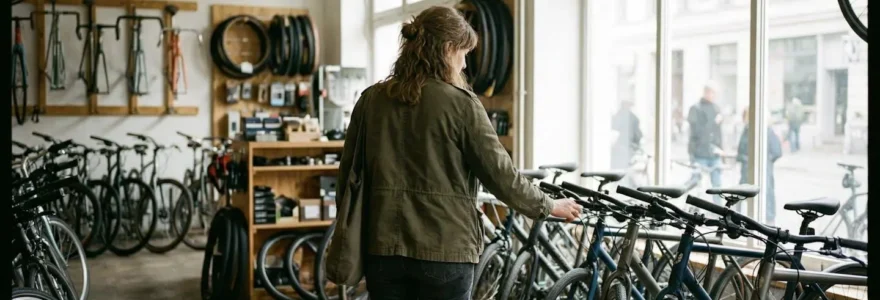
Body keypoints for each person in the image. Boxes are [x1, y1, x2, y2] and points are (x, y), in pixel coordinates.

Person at [334, 7, 582, 300]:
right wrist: (548, 205)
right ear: (448, 49)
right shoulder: (460, 104)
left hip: (382, 250)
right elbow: (500, 175)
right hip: (444, 250)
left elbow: (348, 176)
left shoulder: (371, 100)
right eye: (464, 53)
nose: (464, 65)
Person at [736, 107, 782, 225]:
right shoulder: (747, 130)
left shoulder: (766, 131)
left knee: (765, 196)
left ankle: (768, 223)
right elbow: (740, 151)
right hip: (748, 170)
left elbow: (777, 151)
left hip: (762, 171)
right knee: (745, 197)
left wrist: (765, 161)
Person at [687, 82, 724, 202]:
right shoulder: (696, 109)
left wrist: (720, 149)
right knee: (696, 185)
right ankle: (693, 209)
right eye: (711, 92)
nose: (713, 96)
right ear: (706, 92)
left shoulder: (716, 108)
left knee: (717, 185)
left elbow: (718, 133)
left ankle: (719, 211)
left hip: (714, 152)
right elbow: (696, 132)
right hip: (700, 152)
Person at [610, 100, 643, 170]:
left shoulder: (625, 115)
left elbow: (614, 126)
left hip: (628, 143)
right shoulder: (630, 116)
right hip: (627, 144)